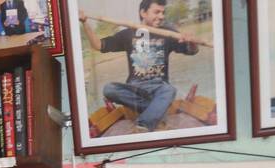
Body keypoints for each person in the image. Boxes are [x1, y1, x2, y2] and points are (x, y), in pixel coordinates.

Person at [81, 0, 200, 134]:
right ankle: (156, 109)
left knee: (169, 90)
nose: (161, 16)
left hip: (159, 87)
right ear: (143, 13)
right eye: (157, 12)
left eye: (163, 12)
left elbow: (191, 51)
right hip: (135, 88)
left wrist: (192, 42)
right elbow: (98, 45)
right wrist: (85, 23)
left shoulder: (168, 33)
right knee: (109, 89)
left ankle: (143, 125)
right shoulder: (128, 34)